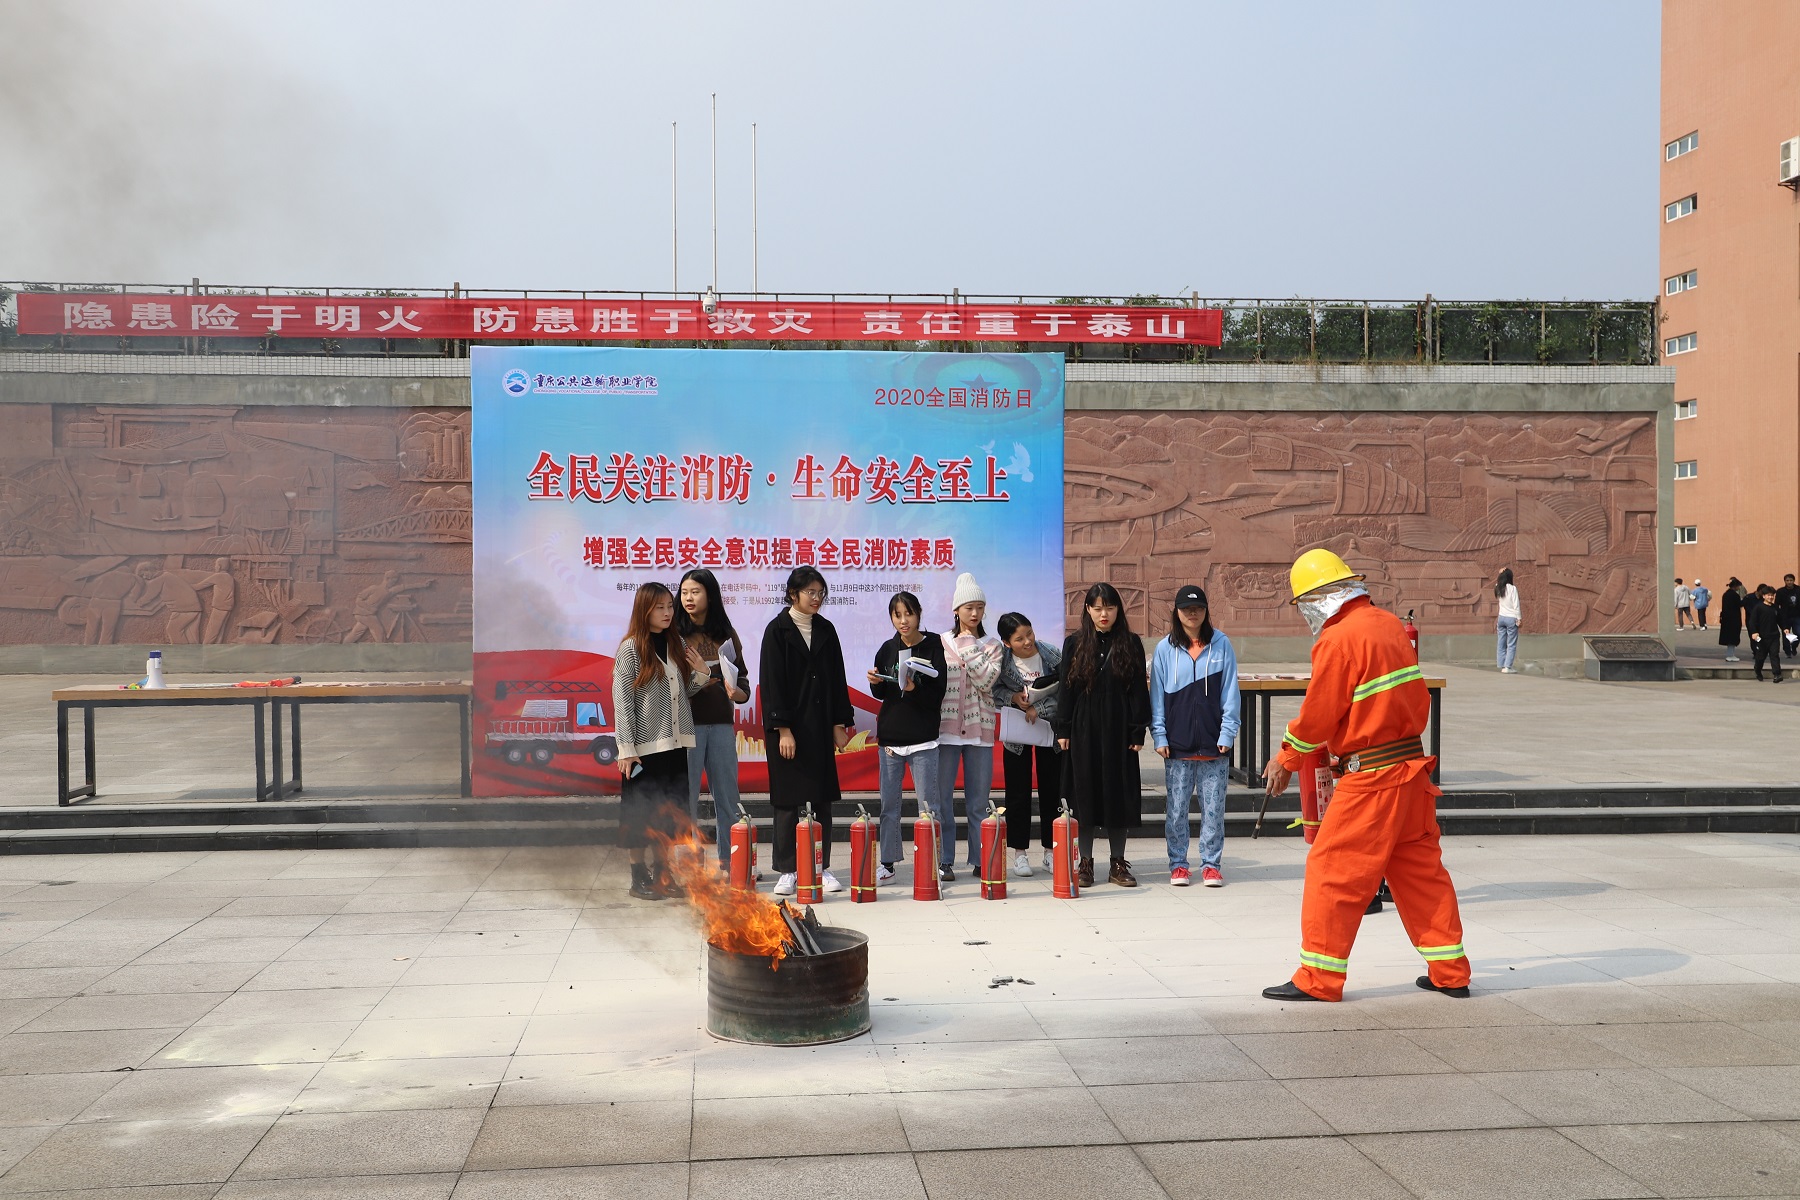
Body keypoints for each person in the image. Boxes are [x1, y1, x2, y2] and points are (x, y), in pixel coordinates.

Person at [1260, 549, 1471, 1003]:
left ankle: (1318, 979)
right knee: (1420, 872)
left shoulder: (1338, 639)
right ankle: (1450, 972)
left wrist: (1286, 758)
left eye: (1304, 604)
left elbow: (1319, 714)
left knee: (1331, 869)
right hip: (1412, 771)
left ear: (1318, 599)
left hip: (1372, 779)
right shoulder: (1389, 624)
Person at [613, 582, 712, 901]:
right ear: (644, 610)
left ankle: (663, 875)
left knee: (668, 816)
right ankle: (638, 878)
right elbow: (622, 701)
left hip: (674, 745)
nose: (668, 612)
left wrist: (701, 673)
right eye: (660, 607)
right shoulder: (630, 648)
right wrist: (626, 749)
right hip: (642, 750)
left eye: (670, 606)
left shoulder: (676, 642)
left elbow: (683, 691)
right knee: (640, 816)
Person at [760, 566, 855, 896]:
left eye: (820, 593)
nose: (816, 598)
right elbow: (771, 682)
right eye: (810, 592)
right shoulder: (777, 630)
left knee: (821, 799)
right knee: (788, 801)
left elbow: (837, 678)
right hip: (788, 729)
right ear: (793, 594)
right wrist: (783, 729)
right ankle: (787, 869)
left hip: (819, 725)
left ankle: (820, 866)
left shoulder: (826, 629)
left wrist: (839, 724)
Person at [1054, 582, 1151, 888]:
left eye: (1109, 607)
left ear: (1118, 609)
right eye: (1097, 608)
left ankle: (1117, 862)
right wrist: (1063, 728)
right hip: (1083, 727)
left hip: (1118, 726)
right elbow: (1066, 688)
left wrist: (1138, 730)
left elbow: (1138, 689)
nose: (1103, 614)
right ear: (1088, 610)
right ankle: (1085, 862)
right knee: (1084, 795)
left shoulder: (1130, 643)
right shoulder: (1075, 643)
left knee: (1117, 792)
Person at [1150, 586, 1240, 888]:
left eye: (1198, 608)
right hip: (1178, 744)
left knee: (1214, 810)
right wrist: (1159, 736)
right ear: (1176, 612)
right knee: (1176, 810)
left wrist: (1228, 732)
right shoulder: (1164, 649)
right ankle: (1178, 865)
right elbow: (1157, 697)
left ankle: (1211, 866)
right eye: (1187, 608)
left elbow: (1231, 692)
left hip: (1214, 744)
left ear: (1206, 611)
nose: (1192, 613)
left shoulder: (1221, 645)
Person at [868, 592, 947, 884]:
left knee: (929, 806)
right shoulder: (887, 649)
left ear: (919, 614)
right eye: (897, 615)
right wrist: (875, 682)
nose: (903, 621)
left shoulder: (934, 646)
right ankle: (888, 863)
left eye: (908, 614)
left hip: (923, 738)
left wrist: (915, 689)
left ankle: (933, 862)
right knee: (889, 806)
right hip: (891, 738)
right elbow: (883, 694)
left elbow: (938, 694)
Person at [676, 568, 750, 868]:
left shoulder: (726, 635)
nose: (688, 598)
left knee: (728, 799)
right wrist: (700, 675)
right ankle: (689, 865)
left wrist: (738, 694)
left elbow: (742, 680)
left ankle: (732, 862)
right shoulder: (674, 635)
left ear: (710, 595)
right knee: (686, 799)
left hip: (720, 724)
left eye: (695, 592)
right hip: (685, 726)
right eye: (684, 592)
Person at [934, 573, 1004, 881]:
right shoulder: (940, 642)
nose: (974, 613)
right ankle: (944, 860)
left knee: (978, 803)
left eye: (979, 607)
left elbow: (986, 680)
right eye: (968, 607)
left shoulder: (992, 645)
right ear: (956, 610)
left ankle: (979, 859)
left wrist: (968, 643)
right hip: (945, 731)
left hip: (980, 732)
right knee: (942, 801)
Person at [993, 612, 1063, 878]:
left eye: (1029, 633)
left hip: (1050, 731)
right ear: (1007, 642)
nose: (1027, 641)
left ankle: (1050, 851)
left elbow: (1066, 690)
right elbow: (994, 691)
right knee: (1018, 793)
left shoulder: (1052, 655)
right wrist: (1013, 697)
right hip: (1017, 735)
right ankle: (1020, 853)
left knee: (1051, 791)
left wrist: (1039, 708)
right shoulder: (1002, 660)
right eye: (1019, 639)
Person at [1748, 584, 1785, 683]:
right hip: (1762, 637)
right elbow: (1752, 622)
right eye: (1768, 595)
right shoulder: (1758, 607)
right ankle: (1758, 670)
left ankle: (1777, 674)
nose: (1771, 597)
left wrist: (1785, 628)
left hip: (1774, 636)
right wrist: (1754, 632)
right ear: (1764, 596)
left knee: (1774, 655)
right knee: (1761, 657)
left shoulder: (1775, 607)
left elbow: (1780, 620)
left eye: (1772, 595)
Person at [1494, 568, 1521, 673]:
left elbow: (1497, 582)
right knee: (1511, 644)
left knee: (1501, 642)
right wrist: (1519, 618)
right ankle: (1508, 667)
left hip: (1501, 618)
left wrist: (1500, 572)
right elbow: (1516, 605)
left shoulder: (1498, 587)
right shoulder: (1512, 589)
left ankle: (1501, 664)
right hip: (1511, 618)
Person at [1719, 577, 1746, 663]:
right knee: (1732, 638)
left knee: (1730, 637)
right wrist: (1745, 600)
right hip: (1733, 619)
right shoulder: (1734, 595)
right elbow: (1739, 604)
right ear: (1735, 586)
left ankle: (1730, 654)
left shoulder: (1726, 594)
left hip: (1727, 619)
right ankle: (1730, 655)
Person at [1778, 575, 1800, 659]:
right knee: (1786, 634)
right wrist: (1779, 613)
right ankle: (1787, 651)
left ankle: (1794, 646)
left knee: (1798, 633)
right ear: (1785, 581)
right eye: (1787, 580)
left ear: (1794, 580)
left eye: (1791, 580)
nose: (1789, 582)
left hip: (1797, 616)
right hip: (1785, 616)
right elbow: (1777, 604)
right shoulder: (1781, 591)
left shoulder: (1798, 590)